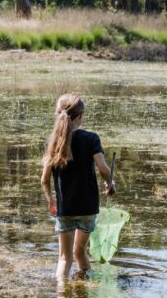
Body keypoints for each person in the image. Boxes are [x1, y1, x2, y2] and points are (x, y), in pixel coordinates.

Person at [40, 93, 115, 279]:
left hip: (65, 209)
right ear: (80, 116)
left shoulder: (53, 141)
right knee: (79, 251)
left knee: (64, 259)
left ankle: (61, 297)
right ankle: (86, 287)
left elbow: (44, 179)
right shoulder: (91, 139)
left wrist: (51, 201)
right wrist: (110, 184)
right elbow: (104, 169)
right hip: (88, 208)